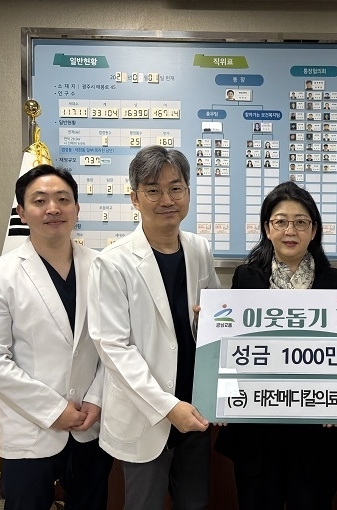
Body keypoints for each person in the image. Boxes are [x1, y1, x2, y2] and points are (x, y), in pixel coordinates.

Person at [0, 165, 113, 510]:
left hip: (91, 423)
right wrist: (53, 410)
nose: (53, 208)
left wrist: (96, 399)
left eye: (63, 199)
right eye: (40, 200)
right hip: (30, 426)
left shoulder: (104, 268)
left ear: (77, 208)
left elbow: (116, 344)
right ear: (21, 212)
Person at [87, 146, 221, 510]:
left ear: (188, 192)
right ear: (134, 198)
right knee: (143, 504)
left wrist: (210, 318)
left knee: (194, 503)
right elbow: (113, 348)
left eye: (176, 188)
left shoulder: (198, 249)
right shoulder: (112, 262)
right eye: (153, 190)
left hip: (194, 407)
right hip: (145, 413)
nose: (167, 200)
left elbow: (215, 319)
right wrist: (167, 406)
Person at [215, 181, 337, 510]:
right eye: (280, 221)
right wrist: (220, 398)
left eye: (301, 222)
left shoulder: (335, 282)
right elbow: (229, 347)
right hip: (257, 432)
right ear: (267, 228)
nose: (290, 231)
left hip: (317, 432)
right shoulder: (246, 278)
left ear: (314, 230)